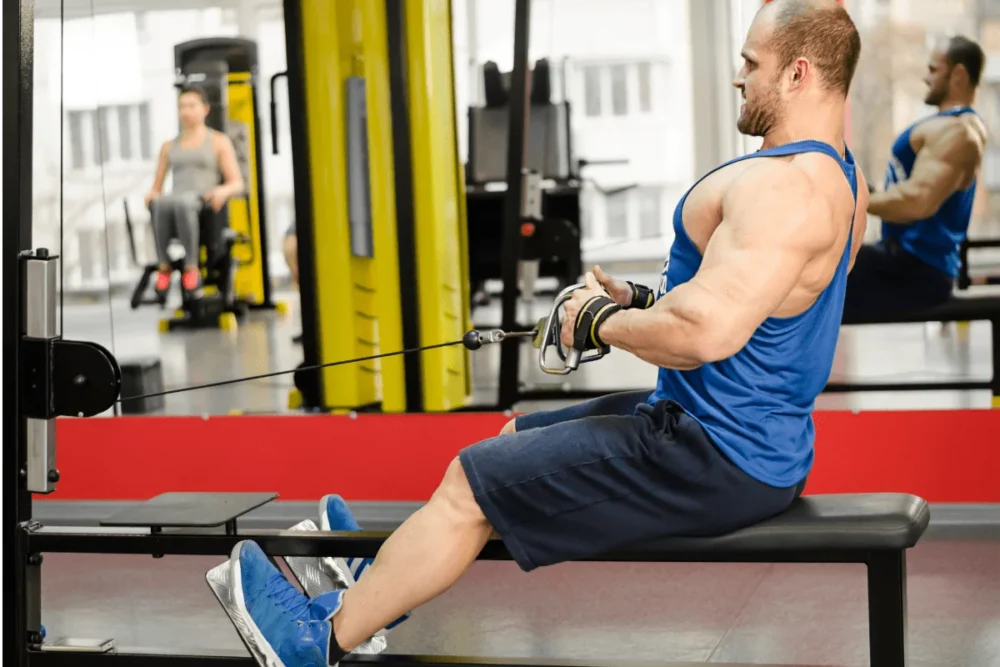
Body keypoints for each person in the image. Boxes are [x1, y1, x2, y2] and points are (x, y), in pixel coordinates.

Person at [221, 1, 868, 665]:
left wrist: (598, 320)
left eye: (750, 64)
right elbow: (766, 301)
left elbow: (705, 331)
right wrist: (640, 299)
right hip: (745, 438)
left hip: (711, 452)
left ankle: (314, 640)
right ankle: (382, 585)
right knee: (511, 438)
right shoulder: (843, 176)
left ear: (797, 74)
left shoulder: (786, 188)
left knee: (471, 482)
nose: (739, 77)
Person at [843, 35, 987, 321]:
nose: (926, 77)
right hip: (906, 264)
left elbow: (918, 202)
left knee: (817, 274)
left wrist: (857, 197)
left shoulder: (958, 133)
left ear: (958, 74)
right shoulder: (949, 126)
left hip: (917, 270)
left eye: (934, 70)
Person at [144, 87, 244, 299]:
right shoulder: (168, 146)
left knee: (184, 202)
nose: (185, 111)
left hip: (204, 204)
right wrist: (152, 195)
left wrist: (222, 190)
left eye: (191, 105)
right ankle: (164, 266)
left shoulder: (218, 141)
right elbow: (157, 187)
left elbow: (237, 183)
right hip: (175, 204)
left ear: (205, 109)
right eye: (182, 106)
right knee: (162, 203)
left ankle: (191, 268)